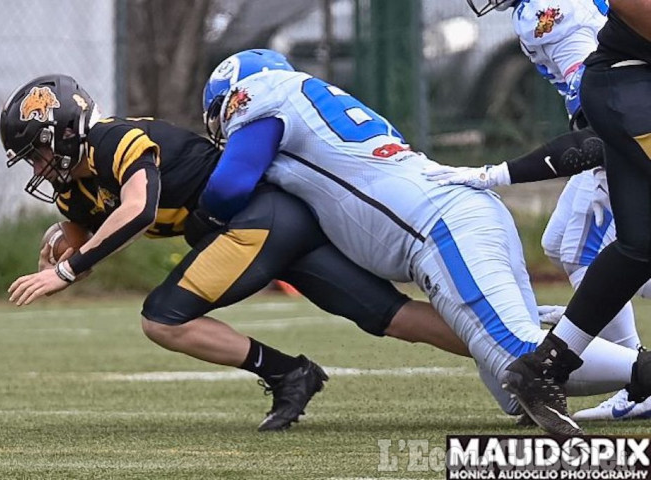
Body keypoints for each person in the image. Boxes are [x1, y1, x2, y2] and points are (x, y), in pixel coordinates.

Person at [195, 48, 651, 435]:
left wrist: (199, 209)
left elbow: (229, 186)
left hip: (440, 226)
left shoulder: (263, 94)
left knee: (523, 361)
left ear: (232, 96)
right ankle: (572, 341)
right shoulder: (307, 105)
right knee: (514, 396)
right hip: (452, 218)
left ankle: (643, 373)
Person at [0, 74, 473, 432]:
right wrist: (65, 249)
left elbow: (139, 209)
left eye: (36, 153)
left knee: (162, 319)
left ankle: (290, 374)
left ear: (63, 133)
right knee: (390, 316)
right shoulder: (73, 192)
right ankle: (523, 362)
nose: (37, 167)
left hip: (258, 220)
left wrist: (67, 268)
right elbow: (90, 238)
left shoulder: (115, 140)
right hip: (260, 227)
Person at [426, 0, 651, 422]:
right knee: (587, 244)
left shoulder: (549, 12)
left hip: (614, 125)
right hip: (617, 123)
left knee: (594, 248)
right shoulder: (542, 11)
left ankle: (612, 371)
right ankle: (630, 374)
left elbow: (598, 98)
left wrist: (499, 174)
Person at [500, 0, 651, 435]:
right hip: (630, 89)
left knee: (638, 247)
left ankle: (546, 367)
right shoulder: (549, 11)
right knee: (587, 245)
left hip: (625, 90)